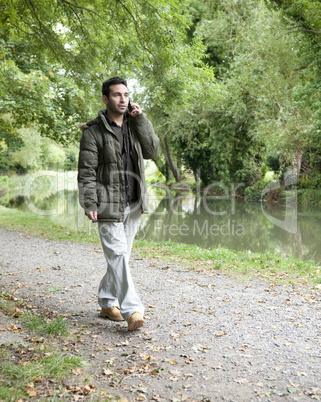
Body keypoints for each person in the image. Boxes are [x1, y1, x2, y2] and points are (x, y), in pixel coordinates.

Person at [77, 77, 159, 330]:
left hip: (134, 202)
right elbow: (86, 171)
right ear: (105, 99)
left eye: (125, 95)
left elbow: (152, 152)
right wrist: (89, 200)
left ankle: (106, 301)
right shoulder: (93, 133)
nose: (122, 99)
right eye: (116, 95)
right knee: (119, 255)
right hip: (107, 205)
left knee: (120, 257)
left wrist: (141, 120)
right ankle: (133, 310)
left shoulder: (135, 126)